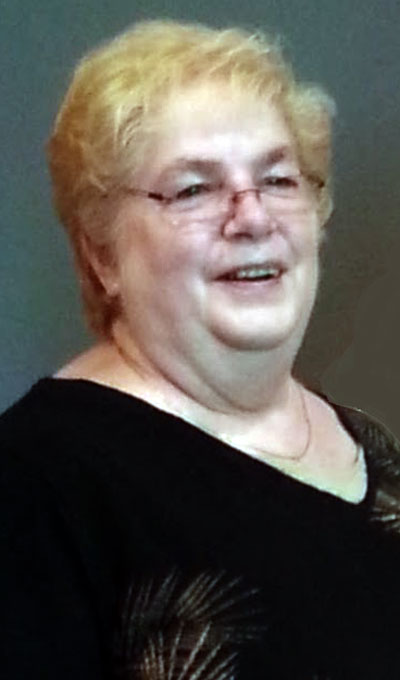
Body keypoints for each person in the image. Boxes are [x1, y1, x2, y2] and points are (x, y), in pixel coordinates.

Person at [2, 18, 400, 680]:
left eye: (279, 180)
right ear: (102, 255)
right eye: (194, 189)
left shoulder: (372, 449)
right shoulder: (35, 486)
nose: (253, 217)